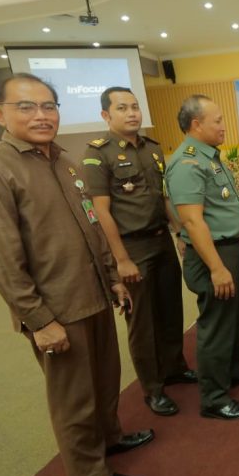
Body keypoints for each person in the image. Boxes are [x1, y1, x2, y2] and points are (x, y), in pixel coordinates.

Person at [0, 73, 151, 476]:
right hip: (56, 307)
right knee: (74, 398)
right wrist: (38, 319)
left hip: (93, 294)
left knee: (105, 380)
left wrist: (111, 280)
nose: (41, 115)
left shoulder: (66, 160)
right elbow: (1, 259)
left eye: (49, 106)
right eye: (26, 107)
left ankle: (109, 440)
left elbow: (91, 225)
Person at [82, 87, 196, 418]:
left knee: (171, 310)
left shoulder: (153, 149)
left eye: (135, 107)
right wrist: (121, 260)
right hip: (131, 247)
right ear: (106, 115)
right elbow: (101, 213)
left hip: (161, 240)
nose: (132, 113)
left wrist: (179, 232)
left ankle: (174, 366)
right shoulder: (97, 155)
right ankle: (153, 388)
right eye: (122, 108)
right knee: (142, 322)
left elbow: (161, 198)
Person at [166, 95, 239, 421]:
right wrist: (217, 268)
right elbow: (192, 221)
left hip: (227, 249)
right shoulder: (188, 162)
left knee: (234, 317)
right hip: (212, 255)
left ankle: (232, 371)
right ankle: (214, 398)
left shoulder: (209, 157)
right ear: (197, 124)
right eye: (218, 120)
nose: (224, 126)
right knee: (216, 325)